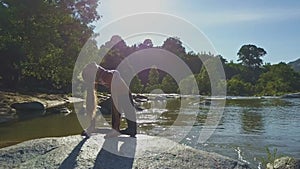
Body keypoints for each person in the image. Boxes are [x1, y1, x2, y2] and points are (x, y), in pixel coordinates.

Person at [81, 62, 137, 138]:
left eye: (89, 77)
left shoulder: (111, 75)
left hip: (125, 95)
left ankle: (118, 129)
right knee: (92, 103)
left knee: (132, 129)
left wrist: (115, 129)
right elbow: (91, 103)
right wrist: (91, 126)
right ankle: (95, 127)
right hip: (116, 93)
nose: (91, 80)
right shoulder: (96, 78)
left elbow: (115, 102)